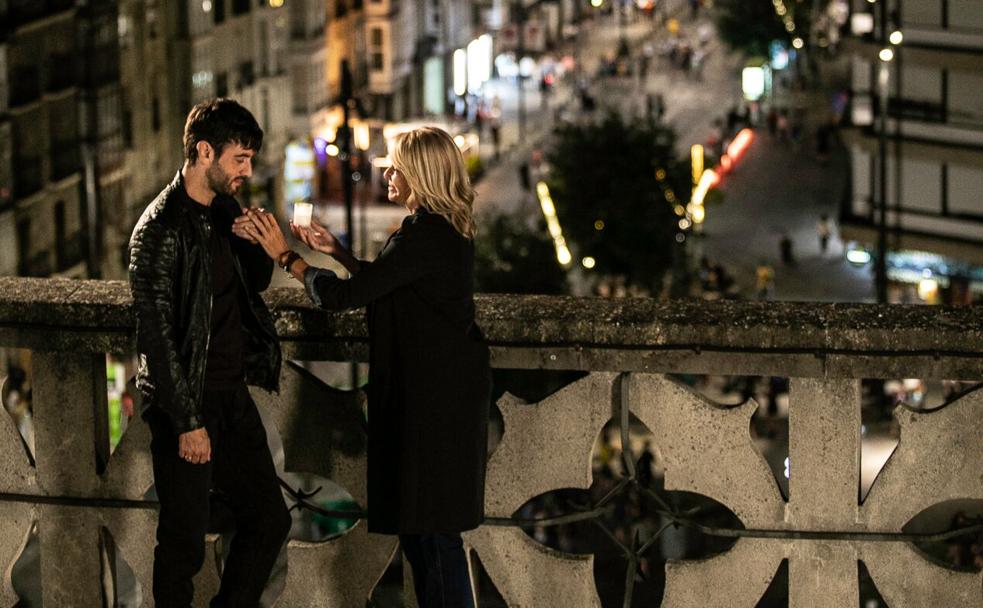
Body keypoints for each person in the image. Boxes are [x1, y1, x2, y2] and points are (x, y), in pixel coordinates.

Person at [242, 126, 492, 608]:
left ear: (419, 174)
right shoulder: (433, 231)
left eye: (395, 165)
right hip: (436, 396)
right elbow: (387, 284)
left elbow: (344, 298)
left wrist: (285, 257)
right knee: (424, 530)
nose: (386, 173)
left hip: (435, 404)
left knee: (434, 535)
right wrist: (335, 251)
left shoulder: (426, 236)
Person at [128, 98, 290, 608]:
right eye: (239, 159)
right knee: (182, 542)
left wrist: (262, 245)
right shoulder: (157, 230)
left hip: (231, 396)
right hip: (187, 404)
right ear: (204, 152)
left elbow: (252, 287)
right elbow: (156, 338)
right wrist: (188, 421)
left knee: (270, 518)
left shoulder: (224, 211)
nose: (248, 171)